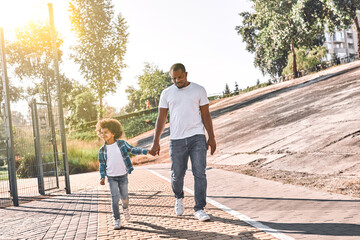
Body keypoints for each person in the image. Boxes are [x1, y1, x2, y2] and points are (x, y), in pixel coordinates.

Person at [150, 63, 216, 221]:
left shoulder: (199, 90)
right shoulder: (166, 93)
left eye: (180, 77)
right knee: (177, 175)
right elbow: (161, 118)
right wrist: (155, 141)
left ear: (186, 74)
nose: (177, 81)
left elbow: (206, 114)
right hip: (176, 140)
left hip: (197, 137)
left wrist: (211, 137)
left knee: (199, 172)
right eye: (174, 78)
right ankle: (179, 197)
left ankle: (199, 208)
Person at [96, 118, 153, 230]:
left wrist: (146, 151)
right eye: (101, 132)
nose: (103, 134)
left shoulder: (121, 144)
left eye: (106, 132)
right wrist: (102, 177)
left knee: (124, 198)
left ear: (113, 132)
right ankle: (117, 219)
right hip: (111, 177)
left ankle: (125, 209)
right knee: (114, 198)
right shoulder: (102, 150)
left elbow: (133, 150)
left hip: (123, 175)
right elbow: (102, 164)